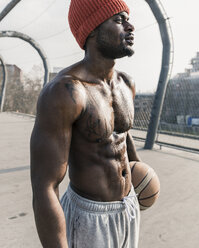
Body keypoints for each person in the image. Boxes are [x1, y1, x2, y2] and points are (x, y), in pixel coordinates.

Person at [30, 0, 143, 247]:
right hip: (89, 219)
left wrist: (142, 177)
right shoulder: (65, 91)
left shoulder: (127, 84)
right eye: (118, 20)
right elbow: (44, 187)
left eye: (128, 19)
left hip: (129, 207)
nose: (130, 26)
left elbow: (122, 134)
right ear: (92, 29)